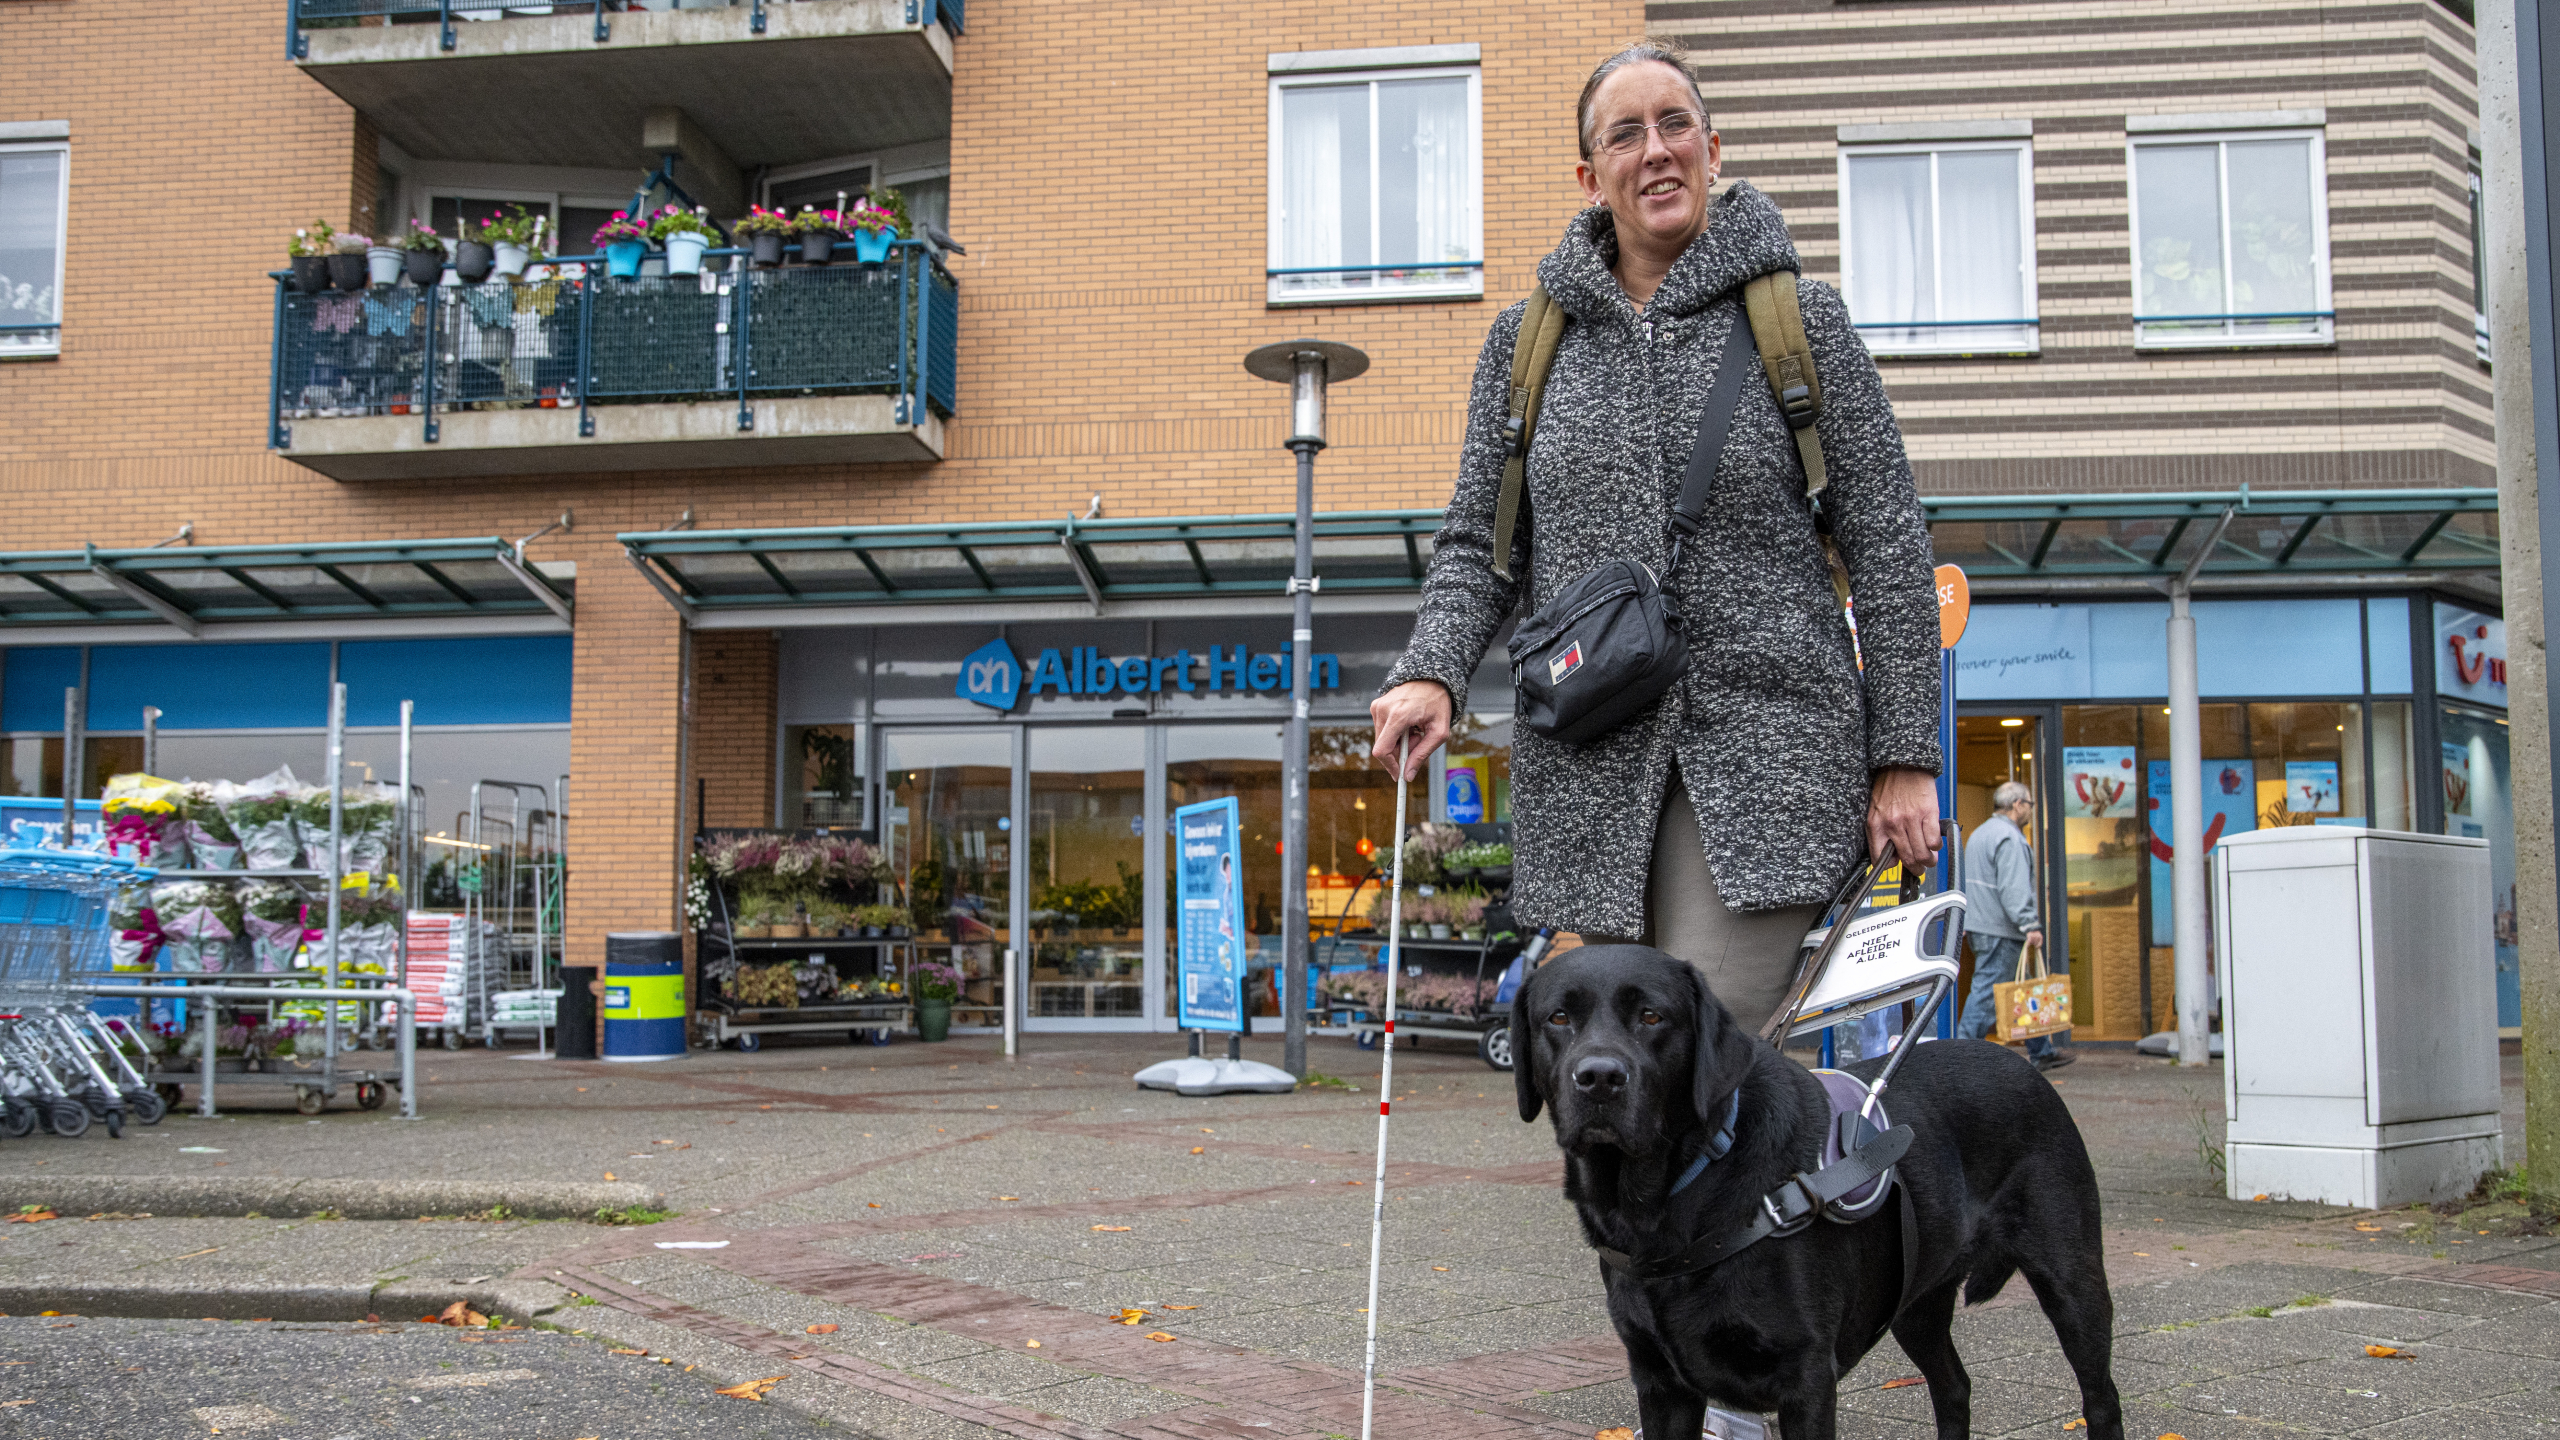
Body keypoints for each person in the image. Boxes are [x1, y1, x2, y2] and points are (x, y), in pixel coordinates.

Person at [1368, 39, 1943, 1033]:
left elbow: (1889, 548)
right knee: (1609, 1087)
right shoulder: (1526, 342)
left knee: (1713, 1072)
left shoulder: (1799, 323)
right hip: (1589, 765)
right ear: (1591, 176)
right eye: (1625, 134)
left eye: (1675, 124)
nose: (1656, 150)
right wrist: (1432, 672)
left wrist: (1904, 755)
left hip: (1770, 763)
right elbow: (1478, 545)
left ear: (1712, 149)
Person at [1959, 781, 2070, 1070]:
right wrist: (2030, 923)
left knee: (2025, 987)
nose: (2031, 811)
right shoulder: (2010, 838)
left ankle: (2041, 1049)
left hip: (1983, 925)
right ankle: (1961, 1055)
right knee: (1985, 994)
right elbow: (2013, 887)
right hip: (2001, 928)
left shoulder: (1980, 833)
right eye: (2030, 805)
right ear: (2018, 804)